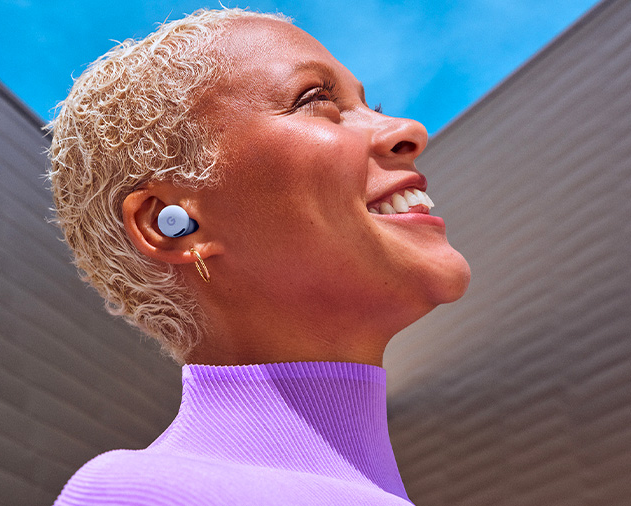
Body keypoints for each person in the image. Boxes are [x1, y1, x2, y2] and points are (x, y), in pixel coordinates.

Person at [49, 7, 470, 505]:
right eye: (316, 100)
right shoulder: (146, 496)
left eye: (372, 104)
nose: (409, 129)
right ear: (174, 224)